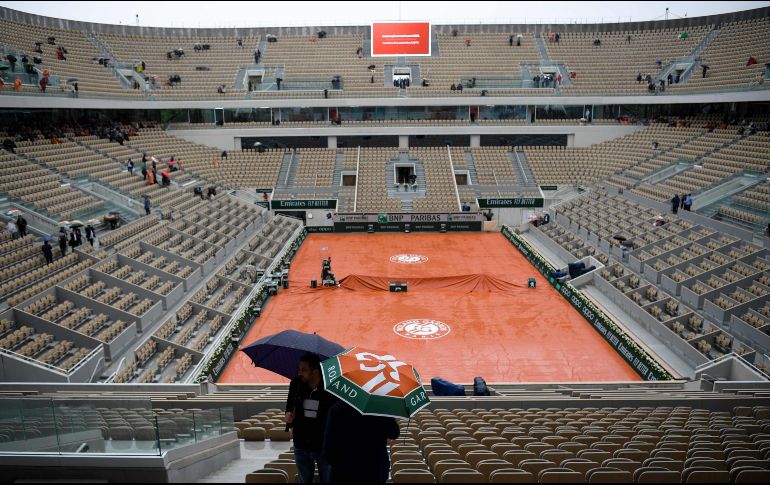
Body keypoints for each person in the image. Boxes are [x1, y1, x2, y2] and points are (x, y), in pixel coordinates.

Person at [284, 353, 336, 483]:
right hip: (301, 444)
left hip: (323, 445)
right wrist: (288, 415)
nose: (299, 373)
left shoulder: (331, 389)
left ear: (315, 372)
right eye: (299, 369)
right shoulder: (295, 384)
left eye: (303, 370)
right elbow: (289, 407)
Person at [323, 400, 400, 483]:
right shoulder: (380, 409)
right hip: (374, 469)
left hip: (343, 470)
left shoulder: (336, 409)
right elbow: (394, 433)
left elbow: (328, 448)